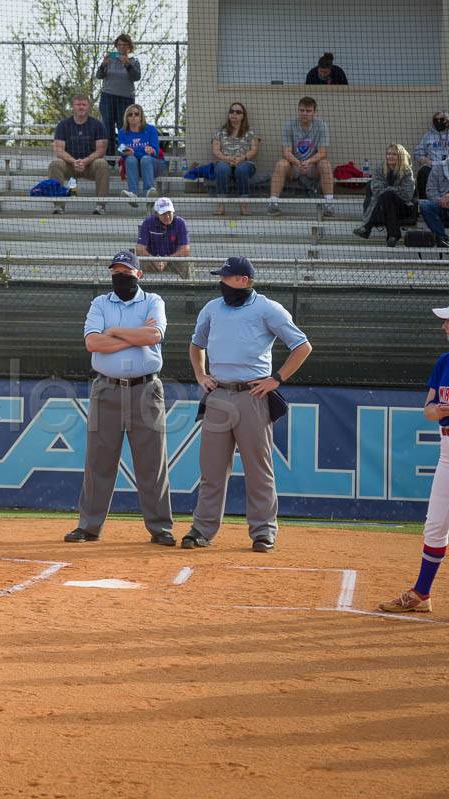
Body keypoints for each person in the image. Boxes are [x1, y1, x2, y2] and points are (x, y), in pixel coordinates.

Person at [185, 257, 312, 552]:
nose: (221, 283)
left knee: (258, 469)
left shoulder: (268, 308)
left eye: (226, 277)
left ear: (243, 280)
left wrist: (276, 378)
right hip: (218, 394)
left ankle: (263, 532)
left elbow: (302, 346)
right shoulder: (212, 308)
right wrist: (200, 375)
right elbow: (196, 345)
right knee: (212, 469)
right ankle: (202, 529)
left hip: (252, 395)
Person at [64, 250, 174, 547]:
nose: (120, 276)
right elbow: (92, 342)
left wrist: (114, 332)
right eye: (115, 272)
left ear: (139, 274)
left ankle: (160, 527)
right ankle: (89, 526)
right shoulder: (100, 302)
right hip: (107, 388)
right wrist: (134, 334)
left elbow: (154, 337)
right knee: (99, 461)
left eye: (126, 271)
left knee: (152, 462)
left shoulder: (154, 301)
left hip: (145, 389)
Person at [378, 305, 449, 613]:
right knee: (435, 525)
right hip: (447, 450)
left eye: (448, 321)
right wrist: (437, 411)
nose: (444, 327)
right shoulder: (444, 362)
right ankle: (421, 594)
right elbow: (429, 408)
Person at [267, 97, 335, 217]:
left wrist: (308, 161)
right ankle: (273, 203)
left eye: (308, 111)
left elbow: (323, 152)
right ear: (298, 110)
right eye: (302, 110)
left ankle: (329, 204)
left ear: (314, 112)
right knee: (281, 164)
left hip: (312, 166)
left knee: (325, 164)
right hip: (294, 165)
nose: (304, 113)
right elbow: (286, 152)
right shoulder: (289, 125)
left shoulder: (321, 125)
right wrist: (298, 163)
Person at [48, 94, 110, 215]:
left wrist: (85, 161)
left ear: (89, 107)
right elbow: (59, 150)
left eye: (84, 104)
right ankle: (58, 206)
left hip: (90, 165)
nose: (81, 107)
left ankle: (100, 205)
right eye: (78, 104)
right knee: (55, 164)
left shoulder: (98, 125)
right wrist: (73, 161)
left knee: (102, 163)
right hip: (69, 165)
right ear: (73, 107)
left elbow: (101, 150)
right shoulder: (63, 125)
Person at [354, 143, 415, 247]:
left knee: (388, 195)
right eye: (388, 154)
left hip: (403, 208)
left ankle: (367, 227)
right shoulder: (380, 170)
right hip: (383, 208)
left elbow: (407, 194)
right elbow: (376, 191)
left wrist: (389, 190)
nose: (390, 156)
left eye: (394, 154)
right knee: (387, 198)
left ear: (400, 157)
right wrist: (391, 191)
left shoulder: (407, 172)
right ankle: (393, 236)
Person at [95, 33, 141, 157]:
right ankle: (110, 158)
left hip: (126, 99)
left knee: (124, 128)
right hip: (108, 97)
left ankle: (123, 157)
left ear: (129, 47)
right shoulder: (110, 60)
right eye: (119, 45)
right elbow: (99, 76)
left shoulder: (134, 61)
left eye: (124, 45)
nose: (121, 47)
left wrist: (127, 64)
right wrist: (104, 64)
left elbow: (136, 77)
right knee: (107, 127)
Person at [211, 102, 260, 216]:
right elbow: (216, 150)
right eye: (232, 111)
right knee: (222, 169)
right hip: (225, 162)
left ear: (243, 116)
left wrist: (242, 158)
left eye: (238, 112)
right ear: (228, 114)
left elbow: (254, 150)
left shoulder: (250, 132)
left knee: (242, 170)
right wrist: (227, 158)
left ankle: (244, 205)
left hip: (245, 163)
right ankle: (221, 206)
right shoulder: (220, 132)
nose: (234, 114)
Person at [136, 197, 191, 275]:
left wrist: (167, 259)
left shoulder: (180, 223)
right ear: (157, 214)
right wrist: (153, 259)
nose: (167, 216)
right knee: (136, 263)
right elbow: (139, 249)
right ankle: (137, 286)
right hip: (151, 259)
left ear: (173, 211)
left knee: (186, 263)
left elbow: (185, 250)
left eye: (169, 212)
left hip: (173, 260)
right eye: (163, 213)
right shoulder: (148, 222)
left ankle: (190, 285)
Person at [117, 103, 161, 201]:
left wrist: (151, 150)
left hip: (151, 165)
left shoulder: (151, 129)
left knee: (145, 158)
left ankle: (149, 192)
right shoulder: (122, 132)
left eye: (136, 114)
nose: (133, 116)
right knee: (130, 159)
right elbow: (121, 150)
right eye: (130, 114)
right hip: (134, 165)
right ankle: (133, 193)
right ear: (126, 117)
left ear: (141, 117)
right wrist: (127, 152)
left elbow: (156, 151)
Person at [414, 110, 449, 200]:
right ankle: (423, 204)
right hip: (432, 167)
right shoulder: (428, 136)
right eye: (436, 120)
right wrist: (426, 161)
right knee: (423, 171)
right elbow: (417, 153)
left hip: (447, 166)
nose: (438, 122)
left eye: (441, 119)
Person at [419, 159, 449, 248]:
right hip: (441, 207)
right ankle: (442, 239)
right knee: (425, 206)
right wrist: (441, 200)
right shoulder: (438, 167)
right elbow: (430, 191)